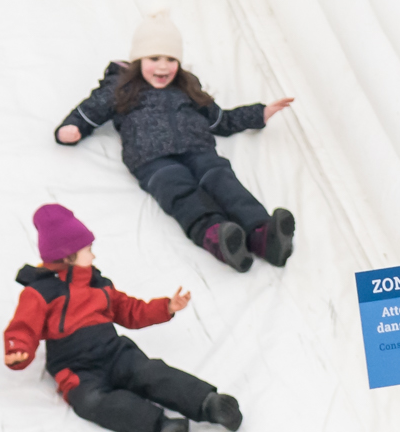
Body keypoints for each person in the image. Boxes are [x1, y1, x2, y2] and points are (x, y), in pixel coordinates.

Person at [53, 14, 297, 273]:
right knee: (179, 190)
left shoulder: (187, 87)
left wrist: (259, 114)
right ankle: (216, 235)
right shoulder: (121, 86)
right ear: (138, 60)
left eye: (171, 59)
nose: (163, 67)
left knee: (223, 181)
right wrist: (72, 128)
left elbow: (220, 120)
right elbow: (91, 110)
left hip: (198, 149)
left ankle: (262, 234)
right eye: (154, 58)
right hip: (152, 159)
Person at [0, 204, 239, 432]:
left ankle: (209, 403)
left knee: (149, 372)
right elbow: (23, 326)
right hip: (76, 368)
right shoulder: (40, 292)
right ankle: (161, 426)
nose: (93, 256)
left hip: (114, 352)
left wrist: (166, 307)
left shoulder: (98, 285)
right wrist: (18, 349)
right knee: (91, 401)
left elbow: (130, 310)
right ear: (68, 256)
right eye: (88, 250)